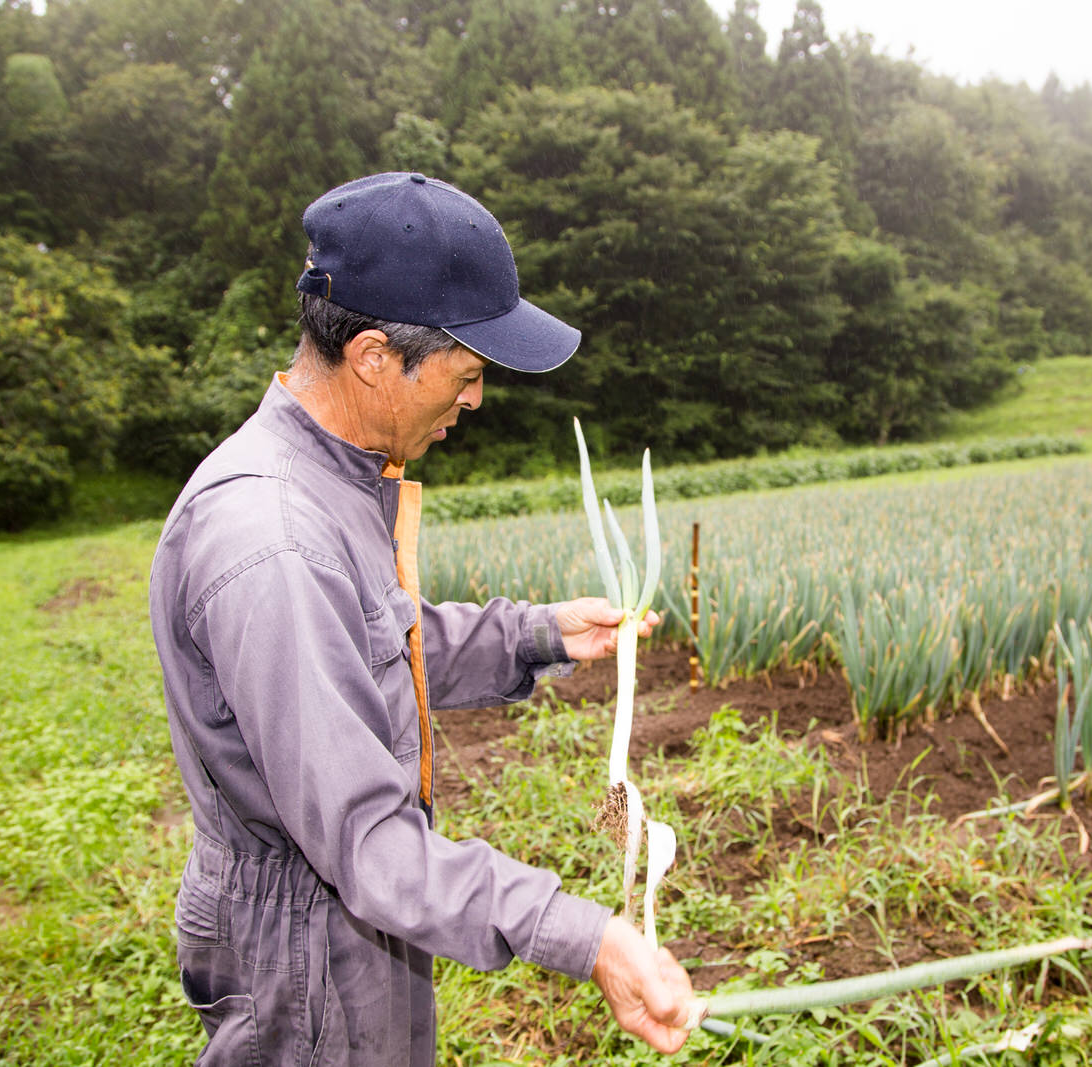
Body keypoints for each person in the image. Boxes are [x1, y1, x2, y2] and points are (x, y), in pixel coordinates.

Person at [148, 172, 698, 1065]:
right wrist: (586, 935)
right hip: (308, 953)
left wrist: (540, 634)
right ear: (373, 355)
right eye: (467, 373)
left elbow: (373, 645)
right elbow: (368, 843)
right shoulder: (275, 539)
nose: (475, 400)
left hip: (345, 923)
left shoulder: (334, 477)